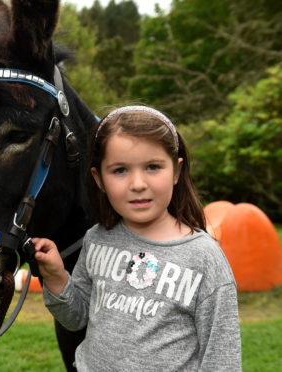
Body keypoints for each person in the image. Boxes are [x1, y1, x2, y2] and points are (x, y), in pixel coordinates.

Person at [32, 105, 241, 371]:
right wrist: (57, 278)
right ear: (99, 179)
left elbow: (222, 356)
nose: (138, 184)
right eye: (120, 170)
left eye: (153, 167)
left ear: (176, 171)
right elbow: (78, 318)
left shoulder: (204, 257)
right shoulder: (96, 239)